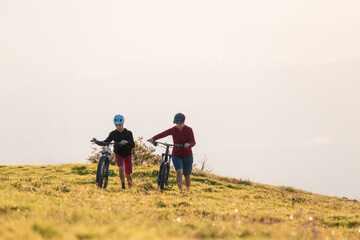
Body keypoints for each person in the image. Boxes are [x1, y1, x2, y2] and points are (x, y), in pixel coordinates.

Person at [148, 113, 196, 193]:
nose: (178, 125)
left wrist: (189, 144)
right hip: (176, 155)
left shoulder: (189, 130)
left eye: (180, 123)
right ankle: (181, 191)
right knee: (179, 172)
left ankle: (187, 190)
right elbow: (163, 133)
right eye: (177, 123)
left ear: (184, 122)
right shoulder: (173, 129)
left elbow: (193, 142)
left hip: (187, 156)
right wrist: (153, 138)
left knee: (187, 175)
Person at [92, 114, 135, 190]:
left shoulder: (128, 133)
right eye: (116, 125)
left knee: (128, 174)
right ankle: (123, 185)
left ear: (123, 124)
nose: (118, 127)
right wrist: (96, 141)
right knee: (121, 168)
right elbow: (106, 142)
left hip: (127, 154)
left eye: (120, 125)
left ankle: (131, 188)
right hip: (118, 153)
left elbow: (133, 145)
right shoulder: (113, 133)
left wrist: (126, 142)